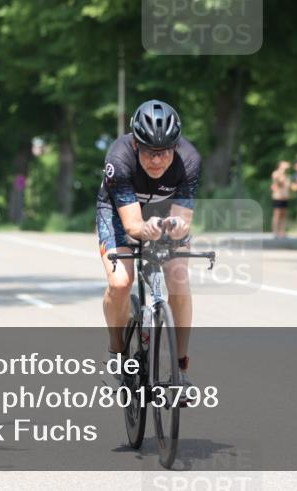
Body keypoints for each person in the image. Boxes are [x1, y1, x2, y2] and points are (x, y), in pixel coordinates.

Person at [97, 100, 200, 387]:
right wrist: (145, 228)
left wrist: (176, 227)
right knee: (120, 282)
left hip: (162, 212)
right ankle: (116, 352)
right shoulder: (119, 158)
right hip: (119, 212)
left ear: (175, 147)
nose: (157, 160)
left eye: (164, 152)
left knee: (178, 277)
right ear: (135, 146)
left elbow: (183, 220)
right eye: (148, 152)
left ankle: (180, 368)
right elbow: (132, 225)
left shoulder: (189, 160)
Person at [270, 160, 291, 238]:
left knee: (284, 215)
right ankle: (275, 232)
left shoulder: (287, 175)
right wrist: (282, 172)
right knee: (277, 215)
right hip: (278, 197)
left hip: (285, 197)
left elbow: (288, 186)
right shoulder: (276, 173)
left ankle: (282, 232)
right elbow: (279, 182)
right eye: (284, 164)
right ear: (280, 165)